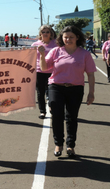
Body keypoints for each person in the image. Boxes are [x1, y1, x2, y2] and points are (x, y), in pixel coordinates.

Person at [38, 26, 96, 158]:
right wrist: (42, 55)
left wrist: (91, 93)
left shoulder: (84, 54)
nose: (68, 39)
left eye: (71, 37)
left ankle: (71, 145)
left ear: (77, 38)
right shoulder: (55, 51)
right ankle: (58, 143)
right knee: (57, 115)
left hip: (75, 88)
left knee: (71, 118)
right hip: (56, 87)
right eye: (65, 37)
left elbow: (91, 75)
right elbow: (44, 67)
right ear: (61, 38)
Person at [31, 25, 57, 119]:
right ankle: (42, 111)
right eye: (43, 32)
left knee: (52, 92)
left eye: (47, 32)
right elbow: (29, 57)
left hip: (52, 71)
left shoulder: (56, 44)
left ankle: (52, 107)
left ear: (51, 33)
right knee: (40, 92)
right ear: (40, 34)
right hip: (39, 71)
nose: (45, 34)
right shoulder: (35, 45)